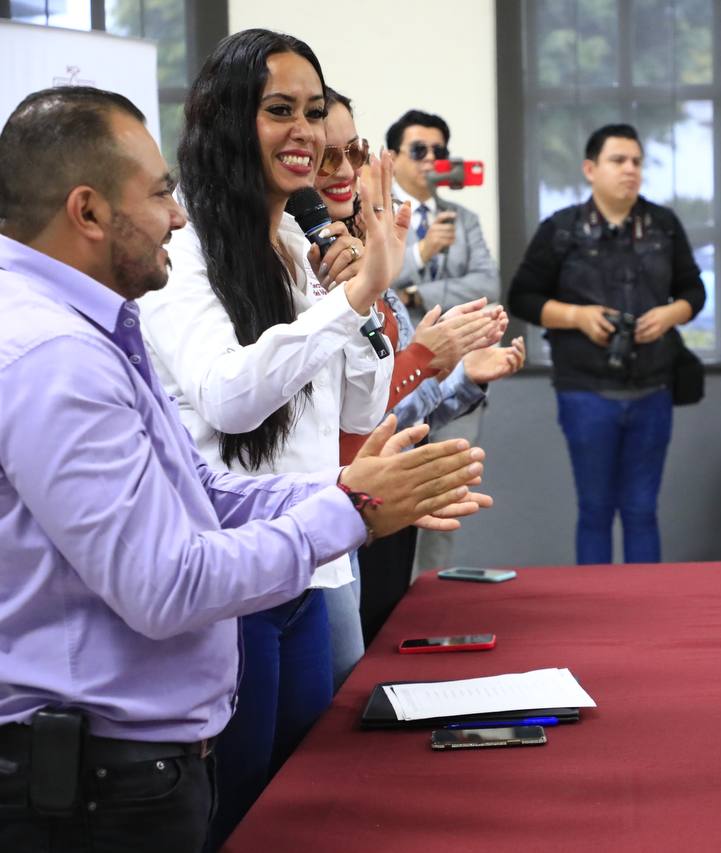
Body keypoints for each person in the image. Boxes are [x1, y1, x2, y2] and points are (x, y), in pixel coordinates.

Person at [0, 85, 488, 853]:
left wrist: (342, 490)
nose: (177, 212)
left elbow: (195, 486)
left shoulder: (91, 323)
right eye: (160, 193)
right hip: (98, 786)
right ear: (88, 212)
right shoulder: (56, 354)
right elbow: (168, 583)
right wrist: (346, 511)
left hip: (128, 760)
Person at [134, 29, 416, 845]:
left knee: (299, 788)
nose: (306, 132)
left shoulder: (296, 243)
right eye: (279, 111)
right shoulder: (184, 255)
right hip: (232, 577)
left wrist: (360, 297)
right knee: (240, 804)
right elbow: (230, 399)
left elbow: (352, 408)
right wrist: (352, 298)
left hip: (309, 561)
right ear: (226, 120)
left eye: (314, 111)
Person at [320, 89, 525, 646]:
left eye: (352, 153)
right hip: (336, 485)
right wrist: (412, 267)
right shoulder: (328, 259)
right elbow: (365, 399)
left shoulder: (424, 230)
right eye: (327, 155)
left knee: (409, 586)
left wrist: (461, 375)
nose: (345, 171)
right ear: (392, 158)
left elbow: (484, 285)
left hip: (393, 448)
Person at [508, 123, 705, 564]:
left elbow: (694, 290)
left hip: (653, 388)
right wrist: (576, 316)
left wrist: (671, 314)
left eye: (636, 161)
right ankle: (596, 618)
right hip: (584, 391)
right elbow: (521, 296)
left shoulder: (663, 225)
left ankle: (645, 616)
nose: (630, 170)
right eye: (619, 161)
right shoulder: (561, 229)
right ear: (590, 169)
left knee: (641, 511)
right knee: (595, 510)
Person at [386, 108, 501, 579]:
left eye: (440, 151)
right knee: (391, 506)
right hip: (394, 380)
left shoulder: (462, 217)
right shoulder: (374, 216)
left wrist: (417, 294)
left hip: (456, 379)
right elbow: (373, 285)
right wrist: (421, 253)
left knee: (446, 501)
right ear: (393, 157)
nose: (431, 159)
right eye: (419, 150)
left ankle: (428, 598)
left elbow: (485, 283)